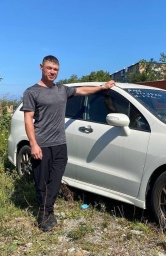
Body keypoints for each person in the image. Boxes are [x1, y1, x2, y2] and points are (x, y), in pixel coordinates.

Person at [22, 55, 115, 232]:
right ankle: (44, 214)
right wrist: (33, 144)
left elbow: (82, 91)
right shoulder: (31, 92)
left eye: (55, 69)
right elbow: (28, 119)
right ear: (41, 67)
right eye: (49, 68)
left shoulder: (62, 90)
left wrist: (102, 87)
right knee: (41, 182)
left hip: (59, 143)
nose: (52, 72)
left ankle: (46, 211)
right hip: (42, 143)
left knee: (55, 181)